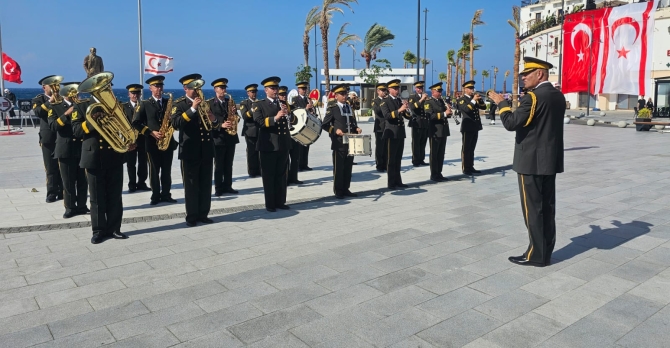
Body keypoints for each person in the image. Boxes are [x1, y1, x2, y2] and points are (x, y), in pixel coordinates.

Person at [490, 57, 565, 267]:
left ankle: (536, 255)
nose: (523, 77)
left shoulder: (533, 98)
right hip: (549, 160)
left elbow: (511, 123)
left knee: (533, 209)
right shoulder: (557, 96)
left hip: (531, 161)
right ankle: (545, 251)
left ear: (539, 74)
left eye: (527, 74)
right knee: (547, 208)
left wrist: (501, 103)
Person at [72, 91, 134, 244]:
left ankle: (114, 228)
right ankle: (98, 230)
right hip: (93, 157)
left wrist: (129, 140)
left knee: (115, 195)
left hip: (114, 155)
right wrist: (91, 121)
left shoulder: (116, 105)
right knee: (97, 197)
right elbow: (77, 131)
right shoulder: (81, 106)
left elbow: (126, 125)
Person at [171, 74, 217, 227]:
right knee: (191, 186)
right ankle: (191, 216)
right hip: (190, 151)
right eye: (193, 88)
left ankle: (203, 214)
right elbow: (176, 123)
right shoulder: (180, 104)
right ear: (185, 88)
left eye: (198, 87)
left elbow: (214, 126)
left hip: (206, 150)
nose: (197, 91)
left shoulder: (206, 104)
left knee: (205, 184)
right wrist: (192, 109)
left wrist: (213, 119)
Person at [132, 75, 178, 205]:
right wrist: (150, 132)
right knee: (154, 170)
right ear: (150, 88)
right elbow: (136, 122)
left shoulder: (168, 102)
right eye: (156, 86)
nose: (159, 88)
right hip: (152, 143)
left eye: (161, 86)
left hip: (167, 142)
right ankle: (155, 195)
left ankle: (166, 194)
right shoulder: (144, 104)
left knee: (166, 170)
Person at [48, 82, 88, 218]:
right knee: (68, 181)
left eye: (76, 91)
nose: (75, 94)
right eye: (72, 92)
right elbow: (53, 126)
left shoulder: (83, 105)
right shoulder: (55, 107)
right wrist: (66, 114)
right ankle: (70, 207)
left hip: (82, 147)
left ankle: (82, 205)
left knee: (83, 180)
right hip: (65, 148)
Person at [252, 76, 292, 212]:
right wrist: (275, 118)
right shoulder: (259, 105)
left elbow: (291, 121)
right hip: (268, 145)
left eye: (277, 88)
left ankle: (280, 201)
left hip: (283, 144)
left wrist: (289, 116)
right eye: (273, 89)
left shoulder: (283, 103)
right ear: (266, 90)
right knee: (269, 175)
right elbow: (259, 122)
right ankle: (270, 204)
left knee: (282, 174)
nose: (275, 91)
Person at [322, 83, 361, 199]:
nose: (345, 96)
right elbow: (324, 125)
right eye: (342, 94)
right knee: (339, 168)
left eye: (345, 94)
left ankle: (346, 188)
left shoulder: (349, 107)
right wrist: (335, 130)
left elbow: (352, 122)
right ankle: (338, 190)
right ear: (336, 96)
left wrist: (356, 128)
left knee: (348, 167)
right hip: (339, 142)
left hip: (351, 141)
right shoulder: (333, 108)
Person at [33, 76, 63, 203]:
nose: (54, 87)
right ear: (44, 87)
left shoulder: (61, 99)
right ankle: (51, 192)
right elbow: (38, 112)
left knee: (63, 165)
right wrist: (50, 101)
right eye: (51, 85)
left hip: (61, 136)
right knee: (50, 167)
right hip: (48, 138)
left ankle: (63, 191)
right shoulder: (39, 99)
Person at [208, 78, 239, 196]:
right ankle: (218, 188)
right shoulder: (210, 103)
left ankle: (228, 185)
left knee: (228, 164)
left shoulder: (229, 101)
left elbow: (235, 117)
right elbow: (208, 121)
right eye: (221, 88)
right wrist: (221, 125)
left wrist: (234, 113)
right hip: (218, 138)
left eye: (225, 88)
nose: (224, 90)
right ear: (215, 89)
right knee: (219, 164)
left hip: (230, 137)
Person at [380, 79, 411, 190]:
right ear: (389, 90)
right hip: (391, 133)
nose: (397, 90)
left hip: (400, 133)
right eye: (395, 88)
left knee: (398, 159)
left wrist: (407, 109)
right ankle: (391, 183)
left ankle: (398, 181)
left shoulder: (399, 100)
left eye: (398, 88)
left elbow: (406, 116)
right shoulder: (385, 101)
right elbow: (387, 116)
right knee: (391, 159)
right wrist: (399, 110)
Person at [123, 84, 149, 193]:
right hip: (129, 139)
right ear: (129, 94)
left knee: (143, 162)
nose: (135, 95)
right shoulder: (124, 107)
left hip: (142, 138)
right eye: (133, 93)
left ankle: (142, 182)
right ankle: (132, 184)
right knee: (131, 163)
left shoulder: (144, 105)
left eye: (137, 93)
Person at [423, 82, 451, 182]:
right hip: (435, 131)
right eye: (438, 91)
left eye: (440, 91)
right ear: (433, 92)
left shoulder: (441, 102)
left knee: (441, 153)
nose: (440, 93)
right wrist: (444, 113)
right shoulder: (428, 102)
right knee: (434, 154)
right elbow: (430, 116)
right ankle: (434, 174)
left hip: (443, 130)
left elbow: (447, 114)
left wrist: (449, 110)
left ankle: (439, 173)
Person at [457, 80, 486, 175]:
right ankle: (466, 168)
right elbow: (466, 109)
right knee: (466, 148)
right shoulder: (462, 100)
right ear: (465, 89)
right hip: (467, 127)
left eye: (472, 88)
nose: (471, 90)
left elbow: (484, 107)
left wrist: (480, 99)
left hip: (475, 126)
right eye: (469, 88)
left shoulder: (474, 99)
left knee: (472, 148)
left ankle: (471, 166)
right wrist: (474, 100)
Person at [279, 86, 302, 185]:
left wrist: (289, 113)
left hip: (293, 135)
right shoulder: (276, 106)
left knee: (295, 157)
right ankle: (286, 178)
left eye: (285, 94)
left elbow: (295, 120)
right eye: (281, 95)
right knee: (285, 159)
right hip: (284, 136)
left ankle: (294, 177)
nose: (283, 96)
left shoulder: (290, 106)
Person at [239, 84, 261, 177]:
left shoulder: (259, 102)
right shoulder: (244, 103)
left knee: (259, 151)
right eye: (252, 92)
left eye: (255, 92)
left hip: (259, 130)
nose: (254, 94)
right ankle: (252, 171)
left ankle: (259, 170)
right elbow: (244, 116)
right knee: (252, 152)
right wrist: (252, 111)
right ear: (248, 93)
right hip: (250, 130)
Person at [291, 81, 313, 171]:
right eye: (302, 89)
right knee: (300, 146)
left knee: (306, 145)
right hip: (300, 124)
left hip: (307, 124)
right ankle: (300, 164)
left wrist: (312, 111)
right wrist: (306, 109)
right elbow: (295, 111)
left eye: (305, 89)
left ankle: (305, 164)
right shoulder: (295, 99)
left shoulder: (308, 99)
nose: (304, 90)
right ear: (298, 90)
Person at [408, 81, 429, 167]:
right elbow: (412, 107)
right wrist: (421, 99)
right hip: (416, 122)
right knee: (416, 142)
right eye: (418, 88)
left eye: (421, 88)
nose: (420, 89)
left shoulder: (426, 97)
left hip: (424, 122)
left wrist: (427, 101)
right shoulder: (412, 97)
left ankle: (421, 159)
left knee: (423, 142)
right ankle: (415, 160)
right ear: (415, 89)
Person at [371, 83, 388, 172]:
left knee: (386, 147)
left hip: (388, 127)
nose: (384, 92)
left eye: (385, 90)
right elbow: (377, 111)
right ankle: (379, 165)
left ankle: (385, 164)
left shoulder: (387, 99)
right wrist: (384, 101)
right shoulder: (375, 101)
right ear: (378, 91)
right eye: (382, 90)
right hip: (380, 127)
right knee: (380, 147)